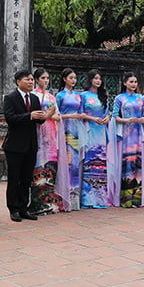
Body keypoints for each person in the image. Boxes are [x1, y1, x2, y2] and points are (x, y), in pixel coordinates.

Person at [2, 69, 47, 222]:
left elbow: (38, 120)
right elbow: (11, 118)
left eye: (31, 80)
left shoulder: (34, 98)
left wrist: (43, 116)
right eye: (27, 79)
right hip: (15, 145)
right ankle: (13, 209)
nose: (30, 82)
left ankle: (23, 208)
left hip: (31, 144)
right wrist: (30, 116)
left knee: (27, 179)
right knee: (15, 178)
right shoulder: (10, 98)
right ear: (18, 81)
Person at [109, 72, 144, 207]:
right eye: (131, 82)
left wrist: (141, 119)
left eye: (135, 82)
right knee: (127, 164)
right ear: (125, 83)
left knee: (138, 164)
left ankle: (137, 199)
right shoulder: (119, 98)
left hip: (138, 134)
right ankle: (126, 199)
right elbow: (115, 117)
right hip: (126, 136)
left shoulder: (140, 98)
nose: (134, 84)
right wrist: (127, 120)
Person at [30, 68, 65, 215]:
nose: (46, 81)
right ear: (37, 79)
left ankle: (50, 203)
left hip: (50, 134)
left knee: (50, 166)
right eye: (43, 78)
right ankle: (38, 204)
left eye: (47, 78)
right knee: (38, 166)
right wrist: (48, 114)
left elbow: (57, 115)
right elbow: (35, 115)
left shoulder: (51, 97)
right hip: (38, 132)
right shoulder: (33, 96)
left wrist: (52, 115)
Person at [79, 69, 111, 208]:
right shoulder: (83, 96)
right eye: (96, 78)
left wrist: (107, 117)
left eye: (100, 78)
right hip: (89, 130)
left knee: (101, 163)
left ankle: (101, 199)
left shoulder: (104, 95)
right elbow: (80, 114)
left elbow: (108, 112)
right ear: (90, 79)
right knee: (89, 161)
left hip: (101, 131)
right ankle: (87, 199)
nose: (98, 81)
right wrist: (93, 118)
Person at [55, 68, 84, 211]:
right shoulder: (59, 96)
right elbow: (56, 115)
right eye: (71, 78)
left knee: (75, 164)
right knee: (65, 161)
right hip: (64, 130)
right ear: (65, 79)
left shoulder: (79, 96)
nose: (73, 80)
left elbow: (82, 113)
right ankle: (62, 199)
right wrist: (71, 116)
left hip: (76, 131)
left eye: (75, 78)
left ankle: (74, 200)